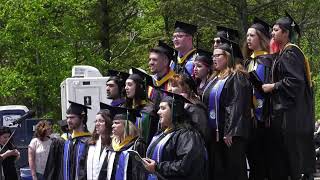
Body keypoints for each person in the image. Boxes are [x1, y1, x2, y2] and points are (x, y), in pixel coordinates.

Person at [262, 12, 315, 180]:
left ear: (285, 33)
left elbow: (295, 82)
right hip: (291, 115)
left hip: (291, 116)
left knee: (292, 161)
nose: (272, 33)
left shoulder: (290, 53)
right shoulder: (285, 53)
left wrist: (273, 86)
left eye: (276, 30)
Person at [202, 40, 251, 180]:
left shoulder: (237, 76)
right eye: (213, 56)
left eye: (218, 55)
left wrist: (230, 131)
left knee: (233, 171)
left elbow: (236, 104)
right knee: (218, 171)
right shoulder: (214, 78)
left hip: (230, 135)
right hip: (215, 135)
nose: (214, 59)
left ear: (228, 57)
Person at [143, 91, 208, 180]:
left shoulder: (187, 135)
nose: (158, 112)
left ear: (175, 111)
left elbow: (186, 165)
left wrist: (158, 167)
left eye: (163, 108)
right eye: (159, 108)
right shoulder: (162, 133)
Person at [242, 17, 273, 180]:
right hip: (249, 119)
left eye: (252, 35)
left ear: (261, 38)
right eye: (247, 35)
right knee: (253, 161)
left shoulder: (269, 60)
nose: (248, 39)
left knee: (262, 162)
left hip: (264, 119)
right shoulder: (247, 62)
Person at [44, 101, 92, 180]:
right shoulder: (64, 142)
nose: (68, 121)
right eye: (67, 118)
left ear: (82, 117)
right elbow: (53, 170)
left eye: (72, 117)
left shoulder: (89, 142)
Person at [99, 103, 146, 180]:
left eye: (116, 123)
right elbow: (104, 171)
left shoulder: (137, 145)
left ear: (127, 125)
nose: (112, 126)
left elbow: (140, 174)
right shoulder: (112, 146)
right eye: (113, 123)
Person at [170, 73, 210, 145]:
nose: (170, 89)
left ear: (185, 87)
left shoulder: (196, 109)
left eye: (173, 86)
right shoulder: (180, 105)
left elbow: (203, 135)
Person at [125, 68, 157, 144]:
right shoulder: (126, 108)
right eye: (125, 85)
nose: (126, 88)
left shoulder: (148, 112)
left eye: (129, 85)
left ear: (139, 87)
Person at [86, 107, 113, 180]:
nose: (97, 124)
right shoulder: (91, 143)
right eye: (96, 121)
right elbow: (83, 168)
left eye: (101, 121)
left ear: (108, 123)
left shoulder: (114, 144)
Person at [148, 41, 176, 105]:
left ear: (165, 61)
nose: (150, 63)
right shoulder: (150, 82)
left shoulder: (176, 82)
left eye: (154, 60)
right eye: (150, 59)